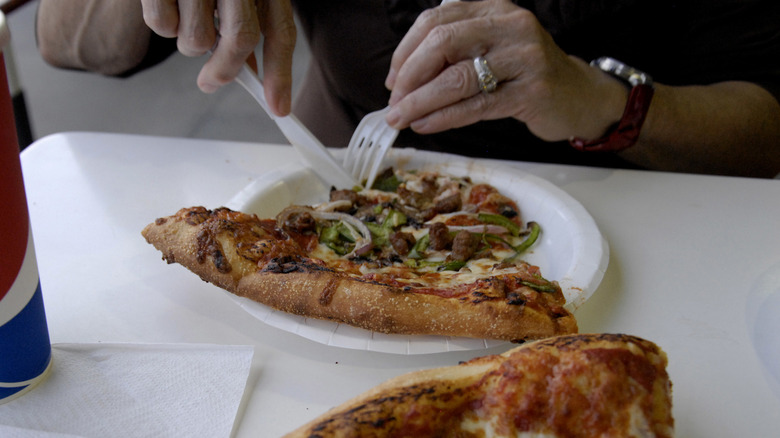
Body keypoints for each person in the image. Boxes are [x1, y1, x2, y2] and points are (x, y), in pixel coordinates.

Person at [36, 0, 780, 177]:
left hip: (644, 213)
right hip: (354, 204)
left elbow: (763, 130)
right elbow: (61, 35)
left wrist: (605, 103)